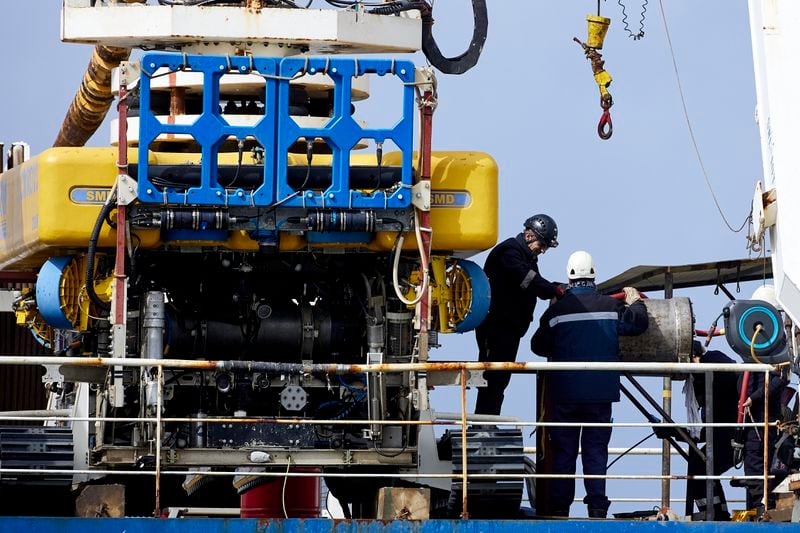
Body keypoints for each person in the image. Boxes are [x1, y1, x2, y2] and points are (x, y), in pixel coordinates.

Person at [531, 250, 648, 518]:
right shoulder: (610, 306)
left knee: (563, 453)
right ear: (594, 274)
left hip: (566, 395)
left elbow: (538, 346)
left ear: (569, 277)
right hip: (600, 394)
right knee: (596, 451)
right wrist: (635, 301)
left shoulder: (557, 311)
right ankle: (597, 507)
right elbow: (637, 324)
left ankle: (560, 509)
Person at [474, 214, 561, 416]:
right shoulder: (509, 252)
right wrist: (554, 291)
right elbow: (529, 280)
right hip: (496, 328)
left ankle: (488, 421)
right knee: (493, 376)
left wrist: (553, 287)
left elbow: (536, 281)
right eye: (543, 244)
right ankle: (483, 424)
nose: (544, 250)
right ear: (530, 235)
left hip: (510, 329)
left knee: (501, 377)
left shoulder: (526, 257)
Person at [680, 340, 739, 520]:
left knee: (702, 466)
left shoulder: (714, 359)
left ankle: (715, 513)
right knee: (700, 464)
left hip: (731, 433)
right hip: (719, 431)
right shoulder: (702, 375)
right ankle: (716, 511)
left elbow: (734, 373)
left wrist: (707, 379)